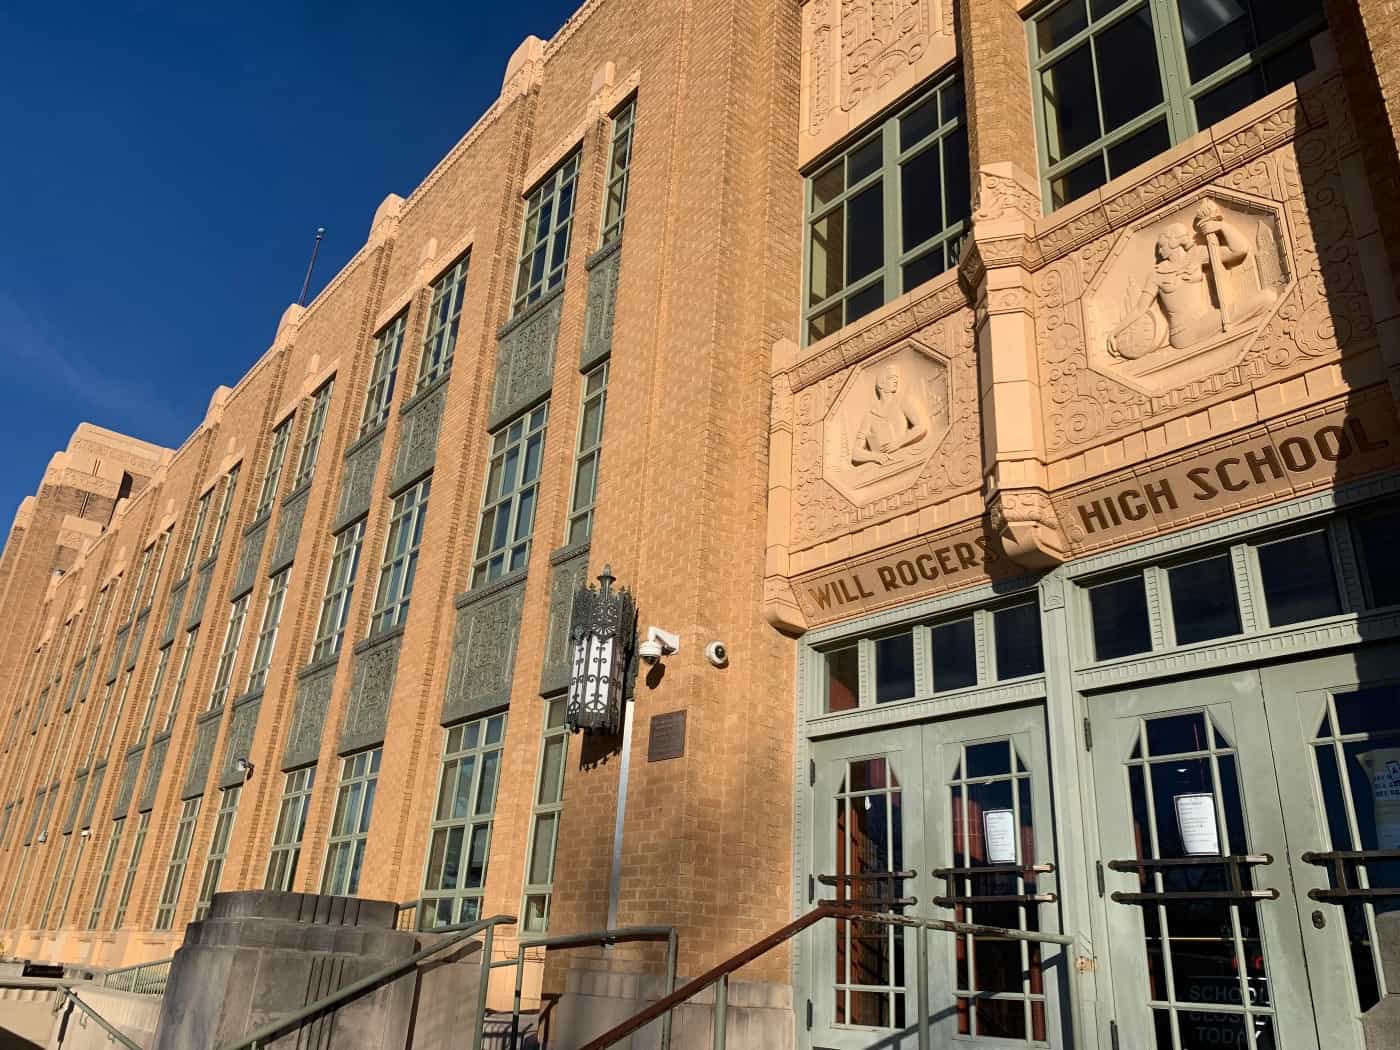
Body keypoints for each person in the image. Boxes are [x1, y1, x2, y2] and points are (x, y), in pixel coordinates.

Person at [1109, 205, 1278, 359]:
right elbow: (1140, 308)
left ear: (1175, 242)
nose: (1160, 250)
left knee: (1269, 297)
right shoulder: (1156, 274)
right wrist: (1115, 332)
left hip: (1205, 320)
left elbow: (1239, 250)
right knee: (1267, 298)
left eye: (1162, 245)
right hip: (1182, 333)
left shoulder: (1197, 255)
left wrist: (1221, 227)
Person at [851, 364, 929, 466]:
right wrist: (876, 456)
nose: (896, 381)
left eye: (896, 378)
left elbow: (921, 427)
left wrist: (898, 443)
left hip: (905, 457)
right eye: (891, 378)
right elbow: (855, 453)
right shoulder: (869, 416)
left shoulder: (903, 402)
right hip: (883, 464)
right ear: (881, 383)